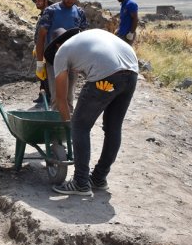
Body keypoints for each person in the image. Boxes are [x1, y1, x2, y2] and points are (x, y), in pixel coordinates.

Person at [44, 28, 139, 196]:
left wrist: (68, 125)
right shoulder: (89, 38)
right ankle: (99, 178)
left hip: (106, 74)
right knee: (113, 128)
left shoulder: (62, 52)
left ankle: (80, 183)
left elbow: (61, 99)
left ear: (57, 45)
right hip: (131, 73)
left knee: (80, 126)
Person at [35, 0, 89, 113]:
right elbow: (41, 37)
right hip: (54, 59)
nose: (70, 0)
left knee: (69, 96)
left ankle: (69, 128)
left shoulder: (80, 13)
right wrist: (40, 62)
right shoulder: (51, 11)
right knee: (57, 97)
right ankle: (56, 128)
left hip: (73, 60)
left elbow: (83, 38)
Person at [30, 0, 52, 104]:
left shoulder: (48, 15)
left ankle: (48, 97)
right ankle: (42, 95)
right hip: (40, 49)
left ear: (46, 2)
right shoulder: (43, 14)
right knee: (41, 74)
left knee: (46, 74)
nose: (37, 3)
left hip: (46, 49)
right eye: (36, 1)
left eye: (39, 1)